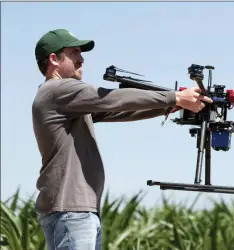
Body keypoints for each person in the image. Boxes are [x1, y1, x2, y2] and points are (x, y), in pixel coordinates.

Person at [32, 28, 213, 250]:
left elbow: (121, 111)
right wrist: (174, 96)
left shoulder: (65, 100)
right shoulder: (58, 90)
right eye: (74, 53)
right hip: (71, 210)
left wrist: (172, 105)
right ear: (54, 59)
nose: (82, 59)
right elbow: (114, 99)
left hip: (75, 210)